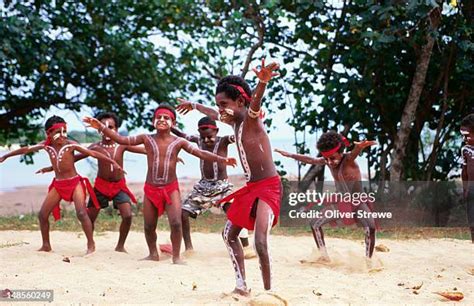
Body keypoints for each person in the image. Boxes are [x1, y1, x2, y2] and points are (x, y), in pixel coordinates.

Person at [83, 104, 237, 263]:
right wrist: (101, 127)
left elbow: (200, 152)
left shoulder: (178, 142)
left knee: (176, 223)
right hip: (151, 189)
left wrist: (221, 159)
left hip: (171, 188)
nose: (162, 120)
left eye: (167, 118)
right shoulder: (146, 138)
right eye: (159, 117)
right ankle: (153, 254)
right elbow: (121, 139)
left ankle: (176, 257)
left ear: (174, 123)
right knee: (149, 226)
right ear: (153, 121)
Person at [0, 115, 123, 254]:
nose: (63, 135)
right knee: (42, 215)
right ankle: (46, 245)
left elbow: (92, 153)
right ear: (49, 133)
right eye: (59, 132)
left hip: (75, 182)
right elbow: (26, 149)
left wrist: (113, 162)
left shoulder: (70, 145)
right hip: (58, 185)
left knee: (82, 213)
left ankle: (91, 245)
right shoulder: (46, 146)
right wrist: (6, 156)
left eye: (65, 131)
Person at [37, 112, 145, 253]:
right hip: (101, 186)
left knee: (128, 215)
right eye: (103, 128)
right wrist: (52, 167)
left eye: (111, 127)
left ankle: (120, 246)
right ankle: (90, 244)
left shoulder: (121, 145)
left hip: (119, 186)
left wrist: (162, 153)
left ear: (116, 130)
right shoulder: (95, 146)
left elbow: (143, 150)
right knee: (88, 216)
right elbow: (71, 158)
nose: (107, 131)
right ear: (98, 130)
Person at [275, 131, 377, 265]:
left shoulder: (348, 159)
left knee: (370, 227)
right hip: (342, 203)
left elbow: (354, 153)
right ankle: (323, 256)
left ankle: (368, 261)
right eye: (326, 159)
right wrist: (290, 155)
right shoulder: (328, 161)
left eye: (333, 158)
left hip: (358, 202)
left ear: (341, 152)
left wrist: (359, 147)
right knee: (315, 224)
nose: (330, 162)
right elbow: (311, 160)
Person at [171, 114, 255, 258]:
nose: (206, 140)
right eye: (203, 137)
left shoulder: (223, 141)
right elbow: (183, 135)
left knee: (235, 214)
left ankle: (246, 247)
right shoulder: (198, 141)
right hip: (203, 187)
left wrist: (248, 121)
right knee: (183, 214)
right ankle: (189, 248)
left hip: (222, 187)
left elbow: (239, 134)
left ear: (216, 131)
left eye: (209, 137)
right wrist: (171, 126)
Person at [460, 113, 474, 242]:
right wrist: (465, 189)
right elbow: (464, 172)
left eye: (467, 136)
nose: (464, 138)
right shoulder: (466, 150)